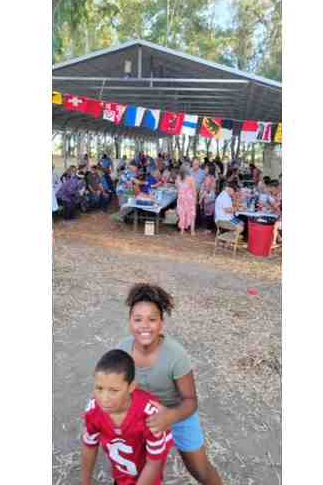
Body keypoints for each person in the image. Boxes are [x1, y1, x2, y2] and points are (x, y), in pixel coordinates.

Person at [117, 284, 223, 485]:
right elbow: (119, 388)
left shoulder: (175, 355)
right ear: (130, 322)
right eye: (137, 319)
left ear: (161, 324)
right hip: (143, 417)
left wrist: (171, 416)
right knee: (137, 471)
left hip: (178, 414)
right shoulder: (123, 350)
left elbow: (191, 401)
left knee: (200, 470)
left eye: (152, 319)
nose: (144, 325)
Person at [81, 349, 174, 485]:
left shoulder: (151, 415)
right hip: (123, 470)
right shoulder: (93, 410)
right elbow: (89, 446)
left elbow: (154, 463)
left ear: (131, 387)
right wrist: (85, 482)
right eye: (99, 388)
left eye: (114, 390)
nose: (104, 398)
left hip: (148, 472)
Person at [176, 166, 196, 236]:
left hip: (181, 198)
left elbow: (178, 188)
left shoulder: (178, 178)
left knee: (182, 214)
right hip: (189, 199)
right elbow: (194, 190)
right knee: (191, 214)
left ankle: (182, 230)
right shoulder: (190, 178)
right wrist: (195, 199)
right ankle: (192, 231)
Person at [199, 165, 217, 232]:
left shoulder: (208, 177)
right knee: (210, 212)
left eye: (206, 168)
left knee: (207, 213)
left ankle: (208, 229)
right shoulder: (212, 177)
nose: (204, 169)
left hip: (208, 196)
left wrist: (201, 198)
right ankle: (209, 228)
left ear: (209, 169)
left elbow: (206, 188)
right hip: (211, 196)